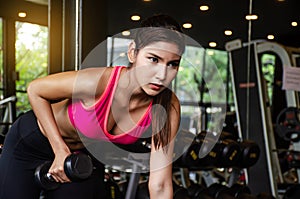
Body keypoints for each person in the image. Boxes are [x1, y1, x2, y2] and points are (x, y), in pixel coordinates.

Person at [0, 14, 185, 199]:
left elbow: (160, 183)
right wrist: (59, 149)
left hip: (78, 155)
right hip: (31, 143)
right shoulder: (98, 82)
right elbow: (36, 89)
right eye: (153, 59)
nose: (162, 74)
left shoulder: (167, 107)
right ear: (133, 53)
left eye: (172, 64)